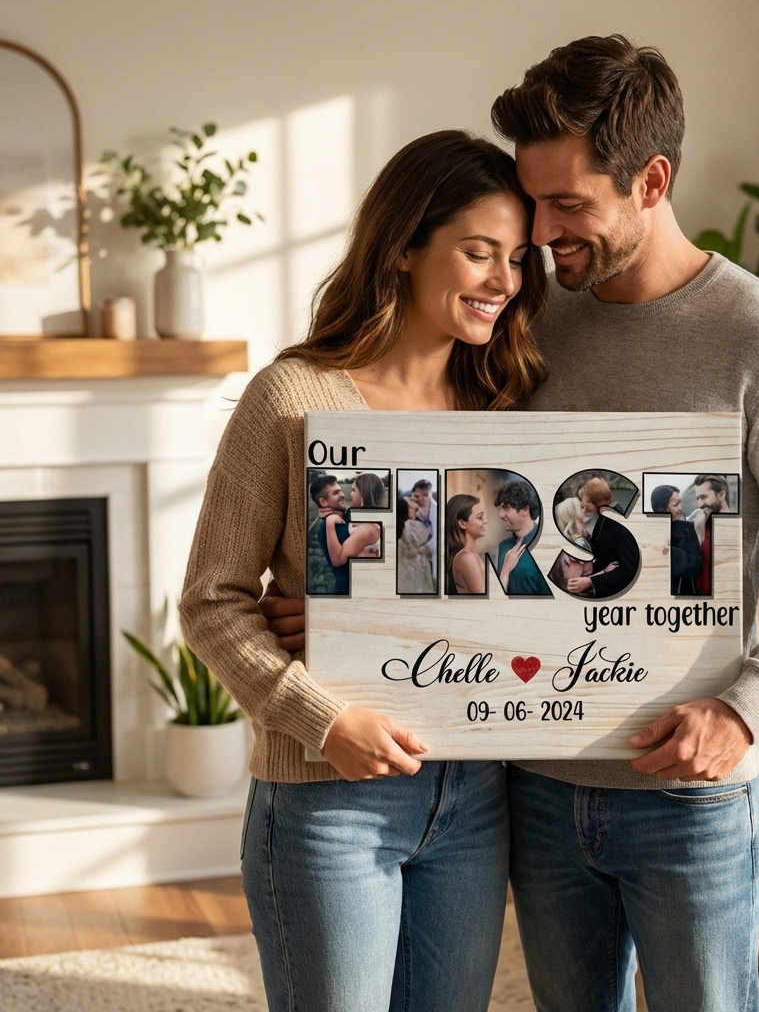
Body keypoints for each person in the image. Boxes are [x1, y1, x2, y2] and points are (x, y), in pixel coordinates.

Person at [489, 34, 759, 1012]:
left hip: (691, 799)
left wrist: (747, 706)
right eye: (531, 199)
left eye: (568, 203)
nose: (538, 231)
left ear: (651, 179)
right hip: (536, 779)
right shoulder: (529, 320)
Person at [179, 130, 547, 1012]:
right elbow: (212, 602)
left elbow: (509, 599)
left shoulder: (508, 407)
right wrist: (324, 715)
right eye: (479, 252)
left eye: (520, 260)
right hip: (326, 801)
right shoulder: (294, 397)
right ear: (403, 247)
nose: (504, 280)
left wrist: (355, 616)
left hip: (473, 797)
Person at [566, 477, 640, 598]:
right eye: (582, 507)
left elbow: (629, 571)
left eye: (588, 509)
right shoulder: (597, 525)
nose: (583, 513)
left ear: (602, 506)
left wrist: (592, 582)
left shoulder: (618, 529)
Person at [309, 474, 381, 594]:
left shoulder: (340, 519)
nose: (343, 495)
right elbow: (338, 560)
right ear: (323, 501)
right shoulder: (338, 527)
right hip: (351, 589)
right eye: (336, 493)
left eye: (341, 491)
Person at [493, 479, 551, 596]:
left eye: (506, 508)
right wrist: (504, 572)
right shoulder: (503, 546)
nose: (500, 515)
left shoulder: (546, 544)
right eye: (499, 508)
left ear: (525, 510)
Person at [650, 483, 703, 595]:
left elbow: (695, 565)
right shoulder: (651, 529)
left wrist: (668, 550)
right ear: (662, 508)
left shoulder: (688, 529)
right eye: (675, 504)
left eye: (680, 503)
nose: (680, 508)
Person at [689, 474, 732, 596]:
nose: (700, 504)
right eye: (698, 498)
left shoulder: (734, 528)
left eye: (703, 497)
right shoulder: (699, 519)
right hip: (696, 603)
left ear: (721, 495)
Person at [445, 493, 488, 594]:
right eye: (480, 517)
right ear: (462, 523)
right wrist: (506, 572)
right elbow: (485, 601)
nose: (486, 521)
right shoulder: (467, 557)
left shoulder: (464, 555)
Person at [396, 494, 434, 595]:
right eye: (414, 510)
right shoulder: (409, 525)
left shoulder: (404, 524)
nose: (416, 513)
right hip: (412, 566)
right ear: (407, 509)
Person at [409, 478, 438, 582]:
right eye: (413, 495)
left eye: (417, 496)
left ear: (427, 496)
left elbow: (437, 541)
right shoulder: (416, 509)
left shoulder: (437, 511)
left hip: (436, 555)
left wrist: (418, 550)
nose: (413, 498)